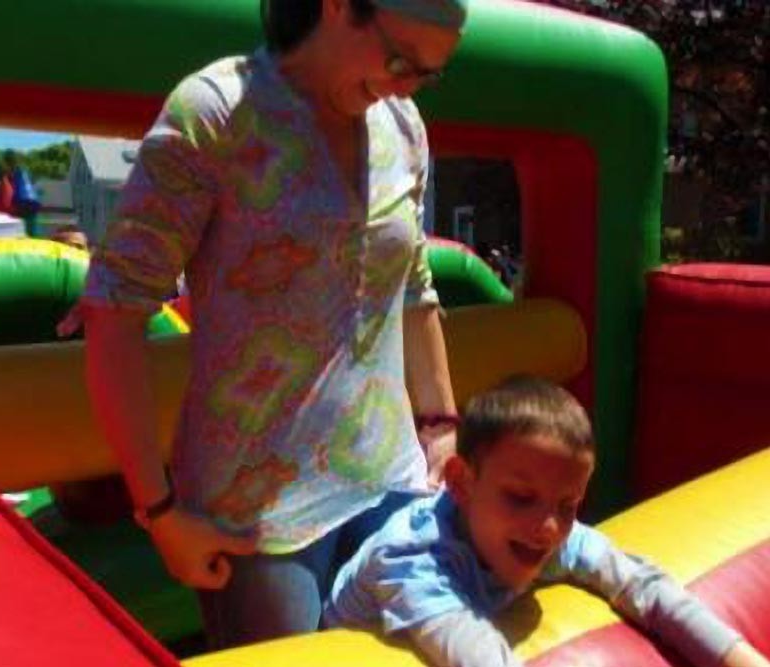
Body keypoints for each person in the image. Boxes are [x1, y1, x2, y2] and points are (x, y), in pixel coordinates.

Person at [64, 0, 469, 650]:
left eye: (429, 73)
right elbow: (113, 312)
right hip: (255, 520)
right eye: (399, 60)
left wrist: (442, 426)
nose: (406, 85)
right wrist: (161, 513)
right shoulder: (216, 113)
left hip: (394, 482)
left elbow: (413, 284)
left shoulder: (402, 123)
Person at [323, 376, 769, 667]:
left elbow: (644, 586)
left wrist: (737, 658)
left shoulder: (546, 534)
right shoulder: (410, 560)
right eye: (520, 498)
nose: (549, 527)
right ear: (460, 482)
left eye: (569, 505)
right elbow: (472, 652)